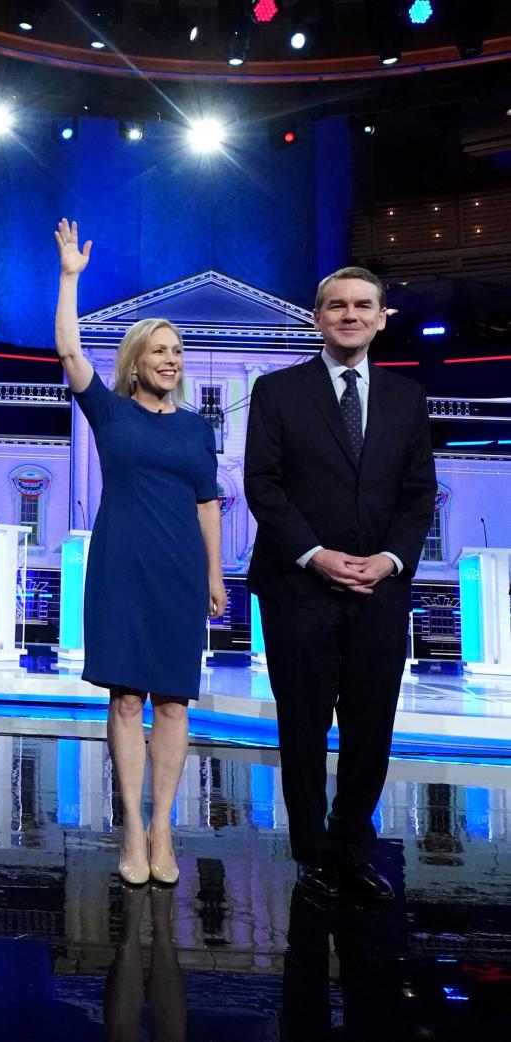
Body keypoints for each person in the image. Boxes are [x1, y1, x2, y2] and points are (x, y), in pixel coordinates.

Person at [245, 266, 435, 903]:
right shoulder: (275, 392)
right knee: (302, 726)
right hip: (299, 586)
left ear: (382, 317)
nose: (349, 315)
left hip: (380, 590)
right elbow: (262, 487)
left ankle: (353, 845)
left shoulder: (408, 399)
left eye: (362, 305)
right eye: (335, 306)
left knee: (370, 724)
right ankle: (313, 854)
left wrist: (389, 559)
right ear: (317, 317)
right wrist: (314, 554)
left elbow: (418, 497)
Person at [54, 219, 225, 887]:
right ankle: (131, 825)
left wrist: (214, 574)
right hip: (120, 569)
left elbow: (208, 504)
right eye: (159, 349)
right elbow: (68, 348)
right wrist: (70, 277)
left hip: (180, 572)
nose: (171, 358)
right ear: (135, 360)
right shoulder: (110, 411)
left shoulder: (196, 428)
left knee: (174, 704)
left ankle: (163, 828)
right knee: (126, 701)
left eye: (177, 350)